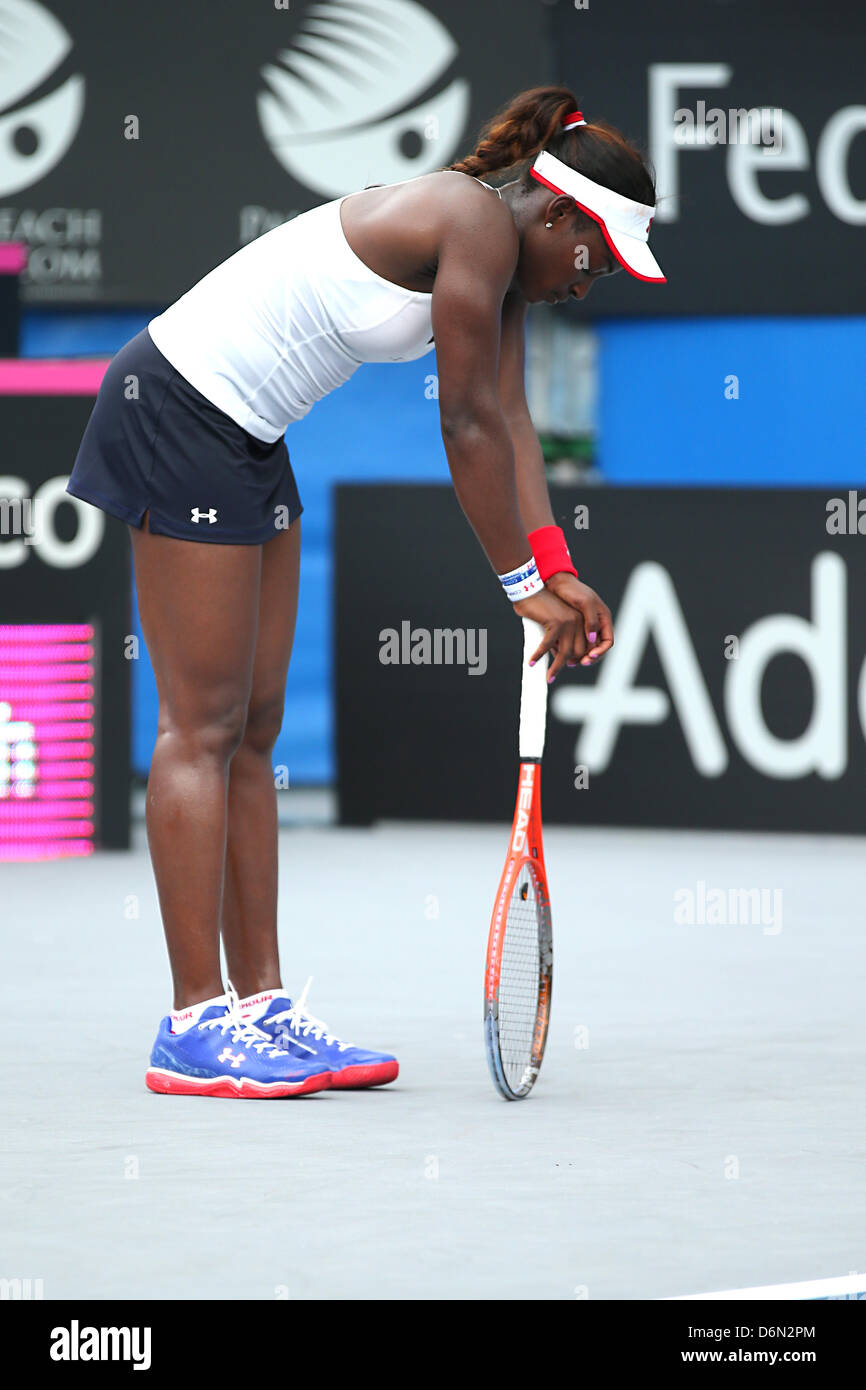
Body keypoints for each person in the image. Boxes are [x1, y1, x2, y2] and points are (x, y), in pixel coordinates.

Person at [66, 85, 665, 1099]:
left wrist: (556, 569)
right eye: (596, 253)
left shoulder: (501, 259)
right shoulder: (472, 218)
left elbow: (512, 423)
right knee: (200, 728)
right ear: (556, 213)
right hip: (175, 408)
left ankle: (262, 1008)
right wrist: (520, 587)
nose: (591, 277)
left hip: (248, 436)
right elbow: (464, 425)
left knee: (254, 732)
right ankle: (192, 1023)